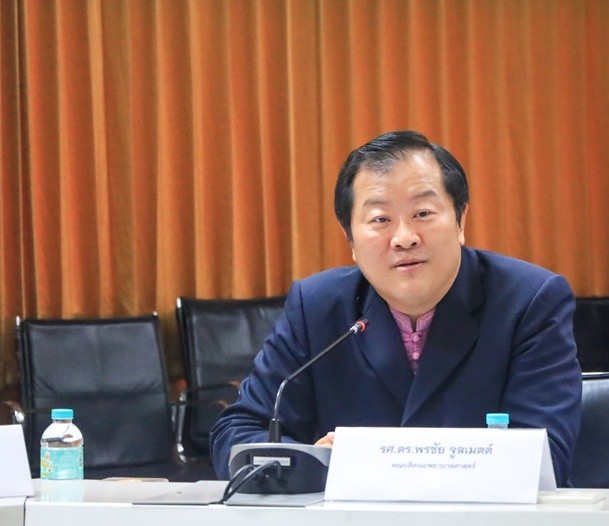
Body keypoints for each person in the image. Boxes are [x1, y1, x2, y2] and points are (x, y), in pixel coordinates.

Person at [210, 129, 581, 483]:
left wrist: (367, 464)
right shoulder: (317, 307)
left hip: (485, 525)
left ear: (460, 220)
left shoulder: (529, 301)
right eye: (380, 220)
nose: (404, 237)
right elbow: (238, 432)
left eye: (423, 213)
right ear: (350, 240)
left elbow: (544, 459)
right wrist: (313, 464)